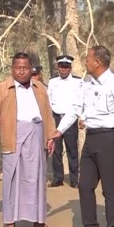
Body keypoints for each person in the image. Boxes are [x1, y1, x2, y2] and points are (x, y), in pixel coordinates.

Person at [50, 46, 114, 227]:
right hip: (91, 138)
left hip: (110, 138)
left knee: (109, 189)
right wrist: (59, 131)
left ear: (98, 62)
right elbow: (74, 109)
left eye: (88, 59)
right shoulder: (86, 84)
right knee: (85, 185)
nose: (85, 62)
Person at [0, 53, 57, 227]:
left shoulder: (40, 88)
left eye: (25, 68)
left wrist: (50, 136)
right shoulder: (3, 88)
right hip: (13, 136)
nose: (22, 71)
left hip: (37, 135)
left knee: (37, 179)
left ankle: (38, 221)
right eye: (18, 68)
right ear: (12, 69)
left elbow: (47, 114)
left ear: (31, 68)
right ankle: (10, 222)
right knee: (12, 179)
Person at [46, 54, 81, 188]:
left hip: (70, 120)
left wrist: (81, 117)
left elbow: (80, 102)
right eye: (61, 67)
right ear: (58, 67)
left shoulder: (78, 82)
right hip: (56, 117)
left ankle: (74, 179)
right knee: (56, 150)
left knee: (72, 150)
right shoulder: (53, 82)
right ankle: (58, 178)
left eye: (66, 67)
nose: (64, 69)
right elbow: (49, 100)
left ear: (70, 68)